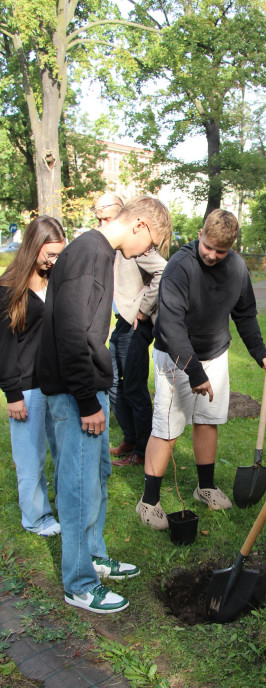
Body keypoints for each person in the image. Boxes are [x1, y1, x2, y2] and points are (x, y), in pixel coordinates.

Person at [37, 195, 173, 614]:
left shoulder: (100, 252)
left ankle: (93, 555)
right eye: (151, 244)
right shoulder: (87, 255)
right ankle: (78, 582)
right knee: (77, 487)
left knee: (96, 474)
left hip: (89, 390)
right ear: (139, 226)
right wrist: (86, 400)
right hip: (75, 394)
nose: (147, 253)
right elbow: (72, 334)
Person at [137, 209, 266, 529]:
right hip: (175, 359)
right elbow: (171, 327)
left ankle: (206, 487)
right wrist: (195, 373)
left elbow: (245, 315)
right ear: (200, 233)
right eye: (208, 247)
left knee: (207, 421)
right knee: (167, 429)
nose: (212, 255)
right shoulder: (179, 267)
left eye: (221, 251)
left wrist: (261, 354)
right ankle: (148, 501)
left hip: (215, 356)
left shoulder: (237, 268)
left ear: (232, 247)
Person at [0, 216, 66, 536]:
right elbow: (4, 345)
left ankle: (61, 507)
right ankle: (36, 518)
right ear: (33, 246)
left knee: (61, 450)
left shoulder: (55, 279)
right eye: (49, 255)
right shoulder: (9, 286)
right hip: (26, 387)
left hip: (56, 382)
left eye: (58, 255)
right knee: (30, 458)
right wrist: (12, 394)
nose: (53, 261)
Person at [94, 192, 168, 467]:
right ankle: (129, 437)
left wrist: (143, 308)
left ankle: (141, 450)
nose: (102, 223)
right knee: (112, 384)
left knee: (134, 388)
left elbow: (164, 270)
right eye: (98, 217)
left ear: (122, 213)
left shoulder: (137, 245)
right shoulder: (110, 244)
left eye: (106, 217)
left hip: (135, 326)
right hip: (120, 324)